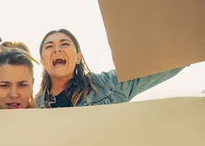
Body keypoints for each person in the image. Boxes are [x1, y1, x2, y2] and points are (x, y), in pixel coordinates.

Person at [35, 28, 186, 108]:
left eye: (64, 44)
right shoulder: (33, 107)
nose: (56, 49)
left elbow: (156, 67)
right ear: (42, 60)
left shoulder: (107, 85)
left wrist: (189, 45)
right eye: (49, 46)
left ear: (79, 57)